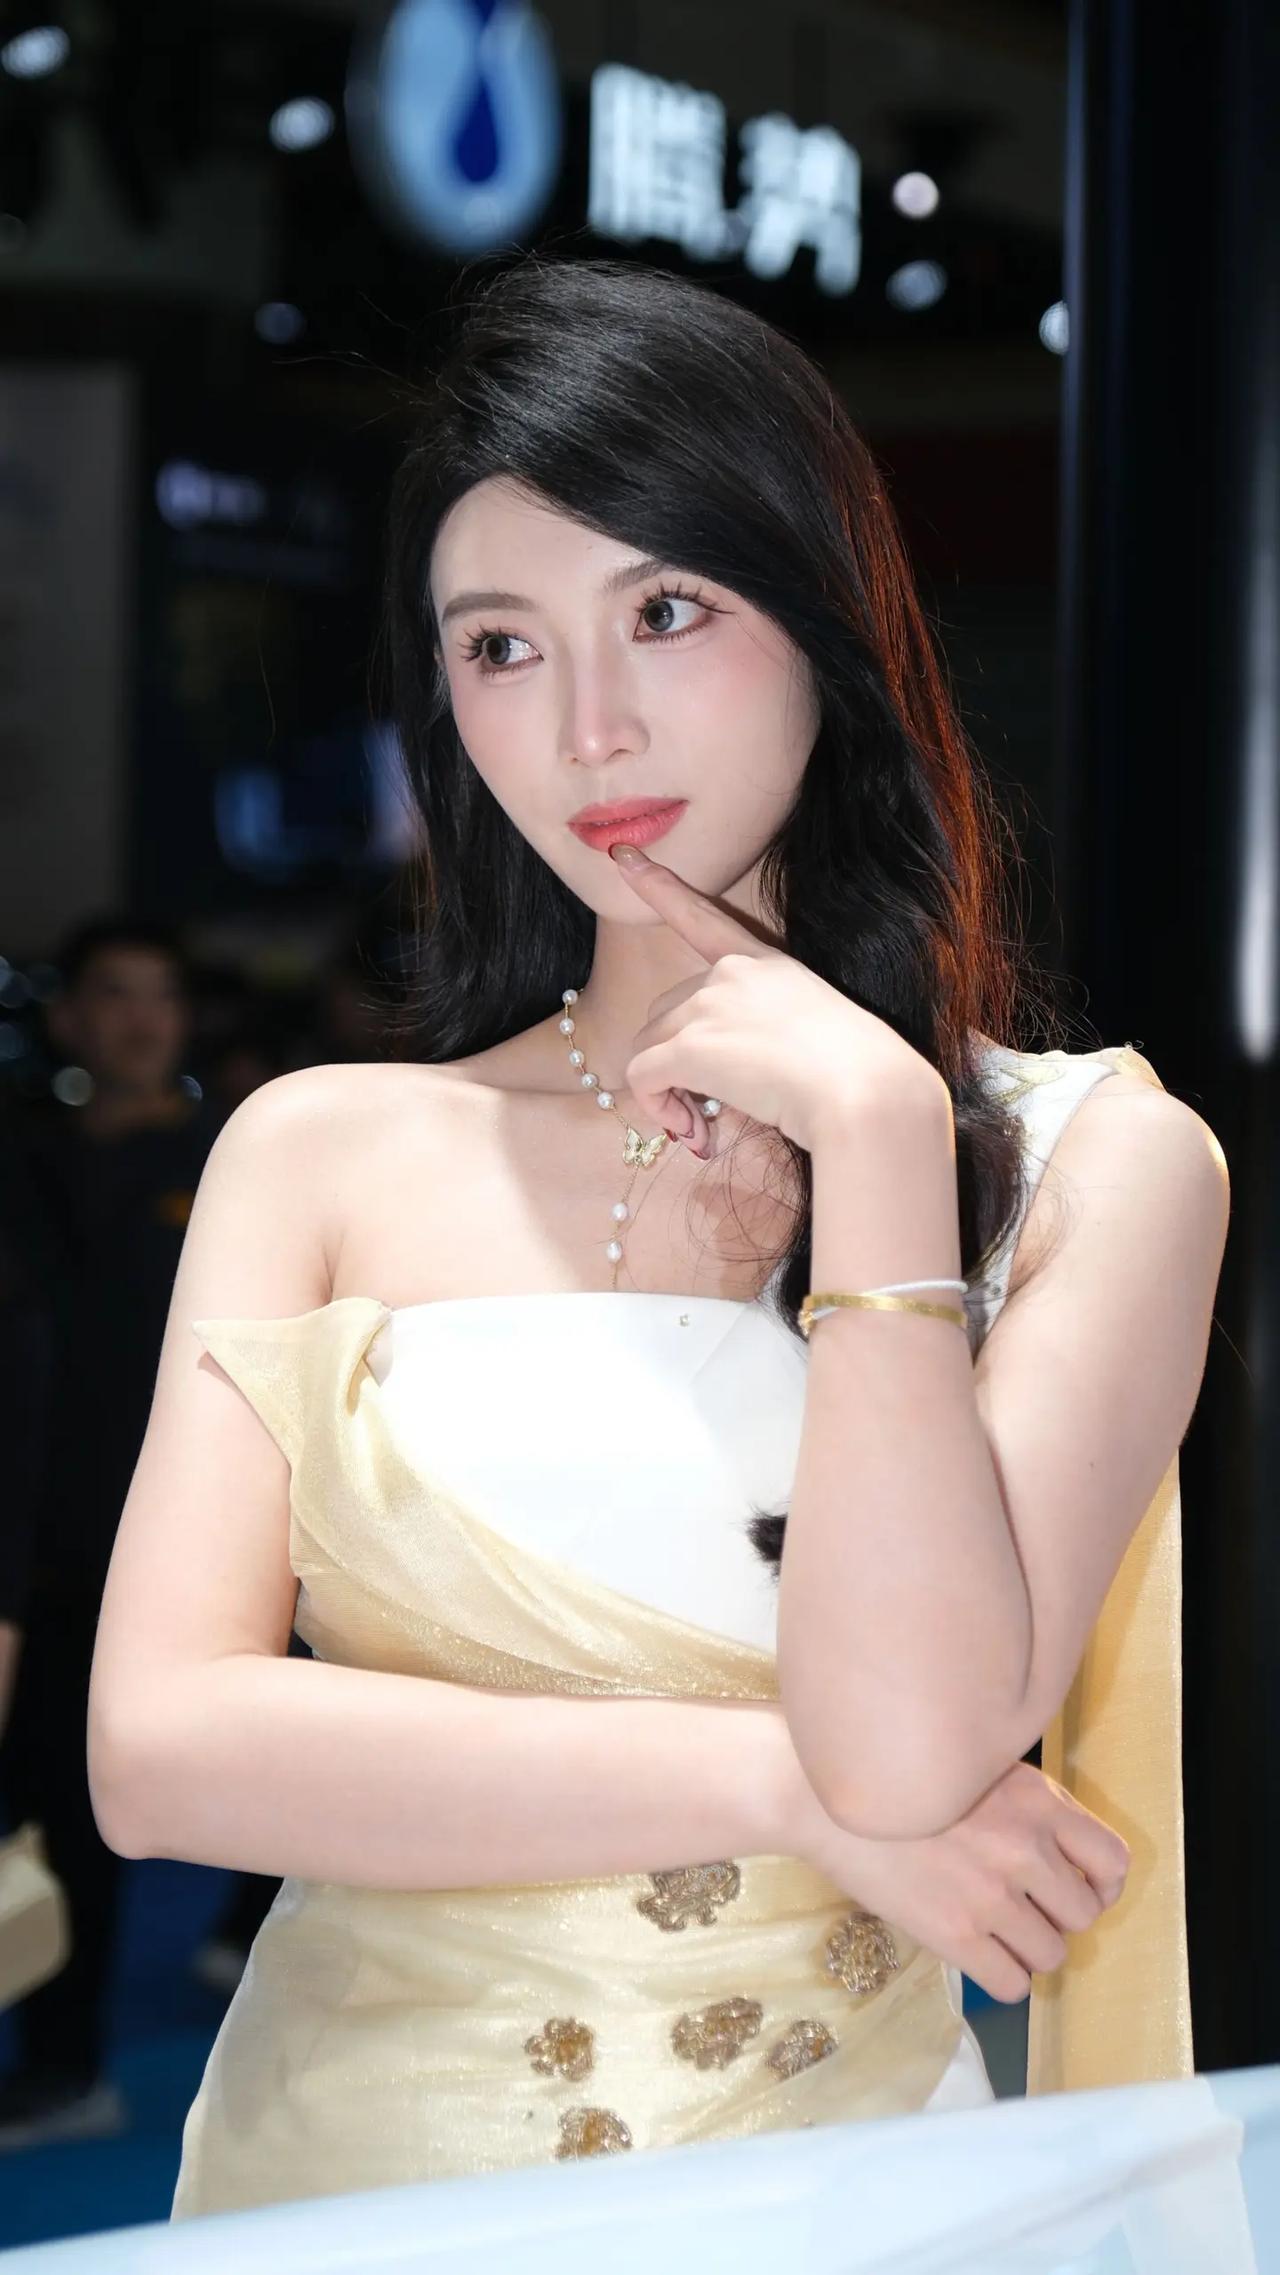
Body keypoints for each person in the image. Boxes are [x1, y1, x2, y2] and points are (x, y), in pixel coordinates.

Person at [85, 257, 1229, 2219]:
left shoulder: (1100, 1167)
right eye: (501, 646)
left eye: (668, 612)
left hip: (844, 2212)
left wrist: (882, 1147)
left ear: (824, 620)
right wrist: (777, 1789)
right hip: (335, 2199)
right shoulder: (320, 1149)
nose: (591, 729)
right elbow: (158, 1751)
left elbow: (918, 1750)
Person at [0, 918, 225, 2145]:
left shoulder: (232, 1159)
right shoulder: (26, 1159)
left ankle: (86, 2048)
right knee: (53, 1791)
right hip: (44, 1524)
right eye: (114, 993)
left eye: (160, 994)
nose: (141, 1018)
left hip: (192, 1527)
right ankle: (61, 2057)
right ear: (72, 1016)